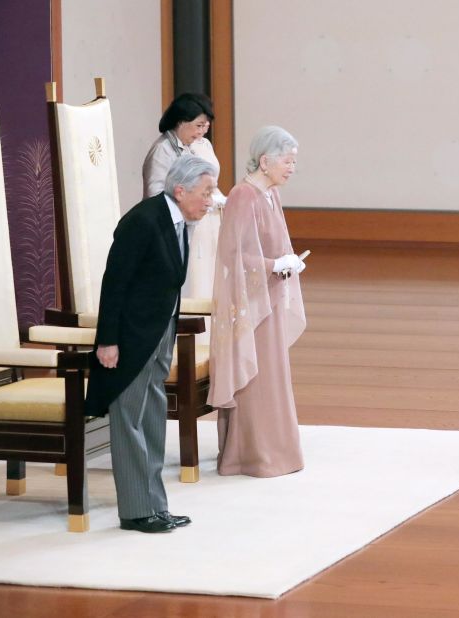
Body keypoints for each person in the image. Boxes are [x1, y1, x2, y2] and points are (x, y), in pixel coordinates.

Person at [86, 155, 217, 533]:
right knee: (129, 420)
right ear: (181, 190)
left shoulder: (178, 222)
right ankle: (135, 510)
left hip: (159, 334)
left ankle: (155, 505)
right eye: (205, 192)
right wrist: (108, 341)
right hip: (130, 339)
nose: (210, 200)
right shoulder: (142, 222)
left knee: (154, 418)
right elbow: (115, 284)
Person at [207, 125, 306, 477]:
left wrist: (287, 262)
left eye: (294, 161)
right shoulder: (242, 196)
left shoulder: (270, 195)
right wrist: (273, 265)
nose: (292, 167)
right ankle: (251, 455)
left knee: (274, 375)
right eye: (287, 161)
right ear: (265, 161)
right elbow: (232, 256)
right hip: (250, 304)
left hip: (270, 296)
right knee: (258, 378)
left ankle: (278, 451)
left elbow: (274, 245)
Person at [142, 92, 226, 301]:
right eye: (198, 125)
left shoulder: (198, 146)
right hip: (181, 228)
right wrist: (199, 199)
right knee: (192, 287)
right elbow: (156, 195)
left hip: (207, 224)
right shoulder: (163, 150)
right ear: (181, 121)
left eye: (205, 126)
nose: (202, 131)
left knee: (210, 283)